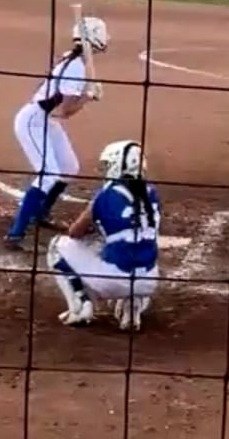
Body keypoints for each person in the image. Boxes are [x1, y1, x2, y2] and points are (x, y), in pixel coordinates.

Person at [5, 15, 109, 249]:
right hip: (33, 120)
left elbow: (61, 110)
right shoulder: (75, 66)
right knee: (48, 174)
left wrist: (87, 93)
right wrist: (89, 97)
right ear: (96, 37)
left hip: (47, 120)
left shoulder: (75, 61)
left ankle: (41, 213)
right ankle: (15, 234)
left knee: (69, 168)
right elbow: (66, 110)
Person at [49, 139, 162, 332]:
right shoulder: (152, 193)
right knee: (141, 243)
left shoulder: (106, 195)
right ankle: (132, 307)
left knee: (57, 246)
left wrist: (95, 230)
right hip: (149, 281)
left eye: (109, 164)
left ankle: (80, 307)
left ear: (118, 164)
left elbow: (75, 232)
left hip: (114, 281)